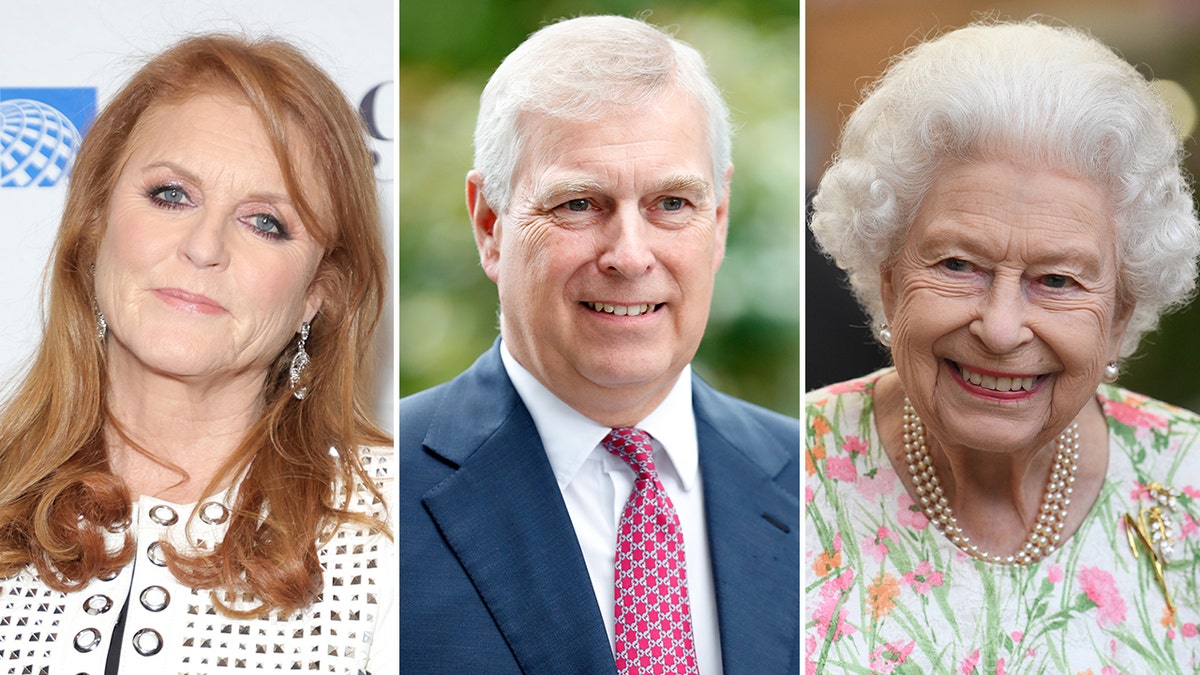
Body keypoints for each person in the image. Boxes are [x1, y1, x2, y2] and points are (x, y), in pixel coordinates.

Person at [400, 15, 800, 674]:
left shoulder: (811, 481)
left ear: (719, 220)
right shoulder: (377, 494)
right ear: (490, 224)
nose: (630, 255)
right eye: (580, 204)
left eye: (672, 203)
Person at [806, 19, 1200, 672]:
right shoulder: (784, 477)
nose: (1000, 326)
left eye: (1056, 279)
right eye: (959, 264)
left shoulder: (1187, 481)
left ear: (1122, 315)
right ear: (889, 274)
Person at [0, 34, 394, 673]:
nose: (204, 245)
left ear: (316, 293)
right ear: (95, 223)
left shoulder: (395, 527)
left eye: (266, 222)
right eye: (171, 195)